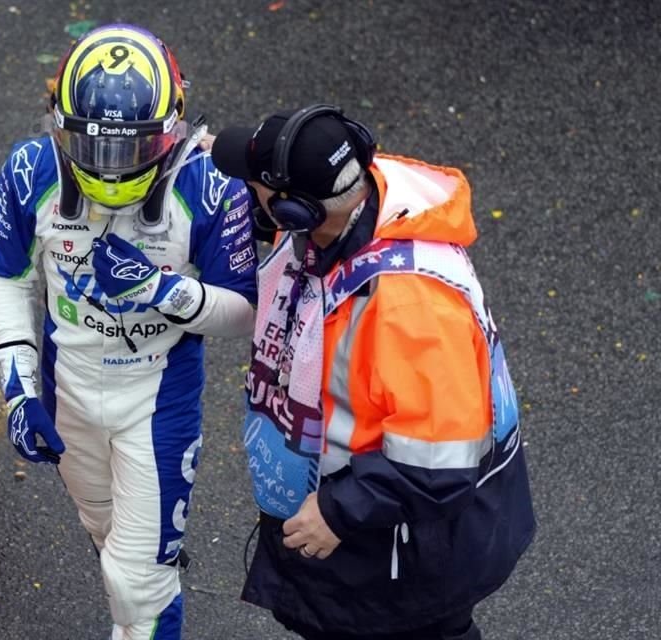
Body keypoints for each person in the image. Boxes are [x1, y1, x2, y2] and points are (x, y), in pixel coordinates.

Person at [209, 105, 536, 640]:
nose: (249, 197)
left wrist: (339, 512)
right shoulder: (360, 202)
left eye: (257, 188)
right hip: (381, 539)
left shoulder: (407, 309)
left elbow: (437, 464)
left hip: (397, 556)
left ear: (294, 211)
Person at [0, 24, 257, 640]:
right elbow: (6, 277)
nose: (111, 169)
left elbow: (243, 311)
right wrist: (19, 392)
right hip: (68, 392)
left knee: (138, 576)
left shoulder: (211, 182)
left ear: (174, 127)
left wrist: (162, 292)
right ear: (60, 125)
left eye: (131, 149)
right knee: (110, 547)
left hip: (156, 402)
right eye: (93, 147)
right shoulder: (30, 170)